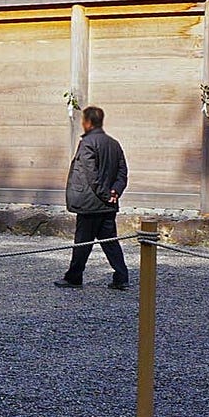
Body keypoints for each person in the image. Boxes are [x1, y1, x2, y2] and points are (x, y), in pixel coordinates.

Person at [57, 105, 130, 290]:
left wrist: (106, 195)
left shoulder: (88, 143)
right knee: (110, 241)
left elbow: (90, 175)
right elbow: (123, 172)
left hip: (92, 203)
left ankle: (74, 277)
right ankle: (121, 276)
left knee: (83, 242)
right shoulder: (114, 143)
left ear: (88, 122)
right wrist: (115, 191)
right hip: (107, 204)